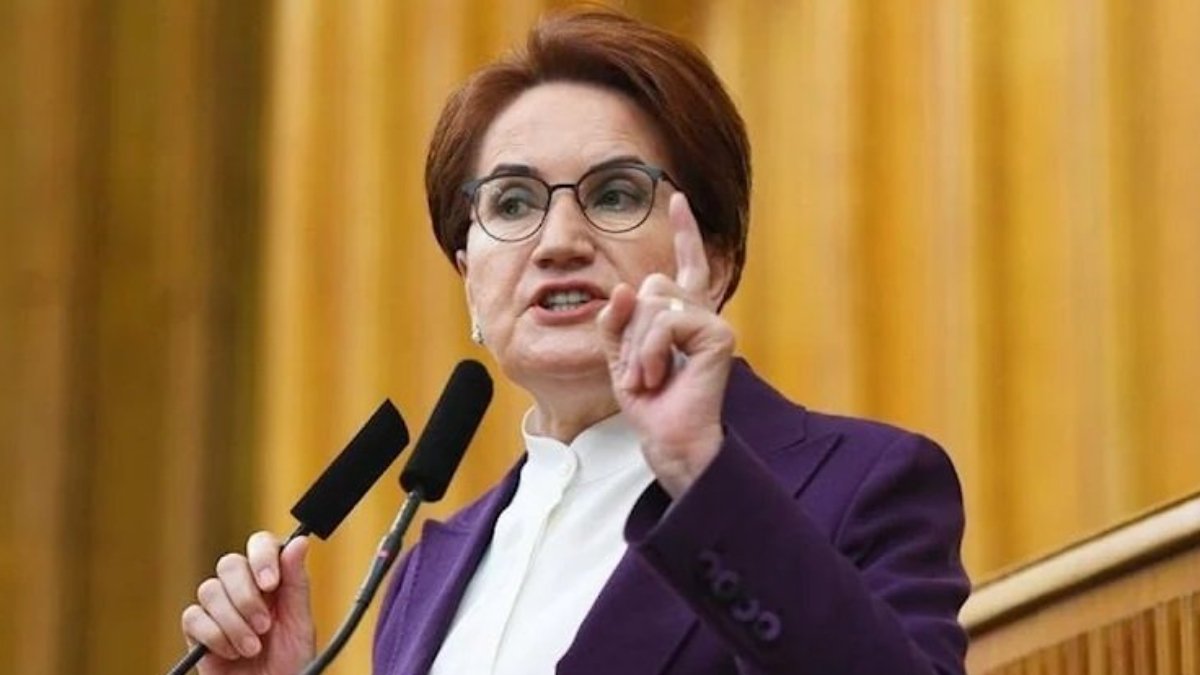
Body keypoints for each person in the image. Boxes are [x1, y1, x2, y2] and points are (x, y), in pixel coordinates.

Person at [181, 9, 970, 674]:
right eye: (513, 202)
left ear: (717, 259)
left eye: (615, 194)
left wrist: (703, 471)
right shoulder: (426, 569)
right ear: (469, 276)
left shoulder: (862, 484)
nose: (559, 240)